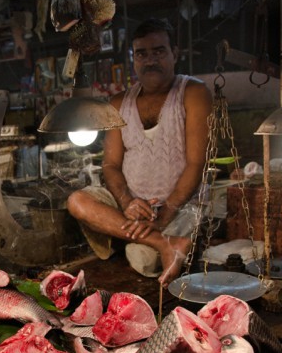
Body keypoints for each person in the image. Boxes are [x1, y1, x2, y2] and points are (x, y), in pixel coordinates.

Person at [67, 18, 212, 287]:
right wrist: (126, 202)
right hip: (132, 206)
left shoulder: (193, 92)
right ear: (134, 59)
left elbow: (196, 164)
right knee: (77, 201)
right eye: (142, 54)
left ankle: (147, 238)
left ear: (175, 54)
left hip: (178, 206)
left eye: (159, 51)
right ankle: (165, 243)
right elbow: (110, 165)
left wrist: (165, 215)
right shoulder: (119, 102)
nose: (150, 60)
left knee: (143, 260)